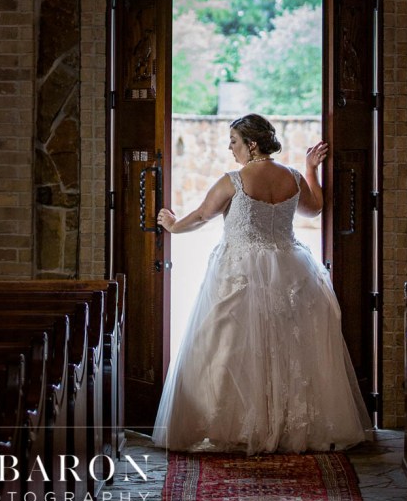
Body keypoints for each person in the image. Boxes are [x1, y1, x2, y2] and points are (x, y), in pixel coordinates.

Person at [152, 113, 372, 454]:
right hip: (290, 269)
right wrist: (311, 169)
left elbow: (202, 215)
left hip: (240, 272)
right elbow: (315, 209)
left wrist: (172, 225)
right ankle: (284, 426)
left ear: (251, 144)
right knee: (286, 348)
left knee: (232, 347)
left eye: (234, 142)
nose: (230, 148)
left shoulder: (234, 180)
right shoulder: (293, 177)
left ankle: (239, 426)